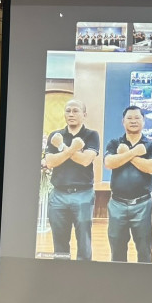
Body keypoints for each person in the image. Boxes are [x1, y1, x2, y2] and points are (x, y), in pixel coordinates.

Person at [45, 99, 100, 260]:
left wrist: (62, 148)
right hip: (58, 195)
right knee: (59, 242)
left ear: (84, 114)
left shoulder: (91, 135)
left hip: (83, 194)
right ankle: (61, 272)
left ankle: (83, 272)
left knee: (84, 241)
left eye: (75, 110)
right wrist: (71, 148)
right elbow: (50, 162)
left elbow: (85, 160)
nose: (71, 114)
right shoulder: (56, 136)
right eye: (68, 111)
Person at [104, 106, 152, 262]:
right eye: (129, 118)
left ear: (143, 121)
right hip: (117, 204)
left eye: (137, 118)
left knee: (144, 250)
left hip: (142, 204)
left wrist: (127, 154)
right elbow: (109, 163)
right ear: (123, 121)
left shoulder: (151, 145)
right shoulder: (115, 143)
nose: (133, 121)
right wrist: (134, 152)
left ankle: (143, 278)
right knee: (117, 250)